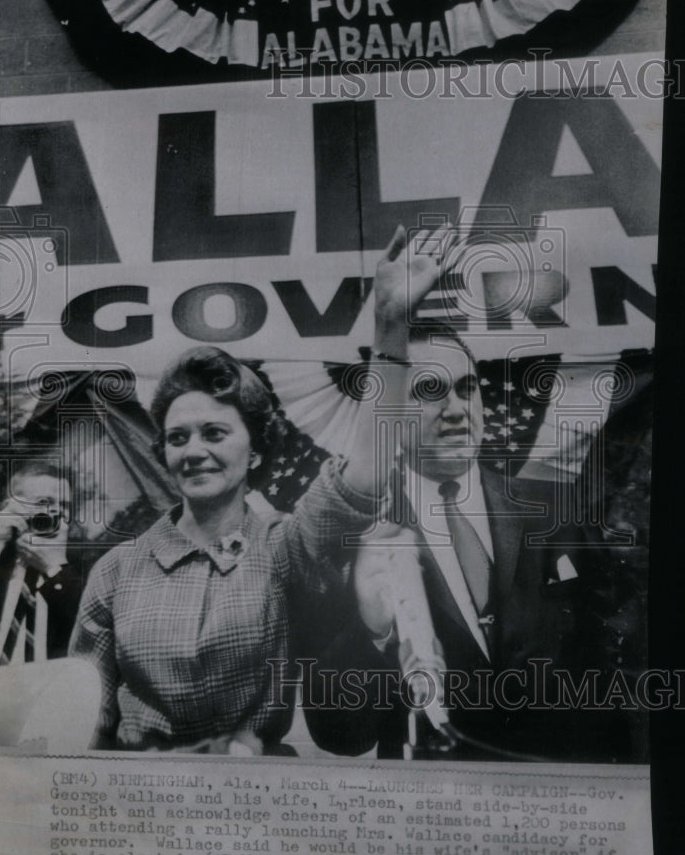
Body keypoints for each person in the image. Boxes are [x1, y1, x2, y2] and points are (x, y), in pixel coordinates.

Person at [68, 224, 448, 753]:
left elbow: (365, 472)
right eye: (177, 437)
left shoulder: (283, 547)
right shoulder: (115, 571)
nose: (193, 449)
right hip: (140, 799)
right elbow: (85, 721)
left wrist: (390, 324)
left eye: (215, 433)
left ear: (256, 451)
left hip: (255, 798)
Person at [302, 320, 642, 763]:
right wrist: (374, 630)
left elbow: (614, 675)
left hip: (562, 797)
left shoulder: (556, 511)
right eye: (429, 391)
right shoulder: (355, 536)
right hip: (440, 808)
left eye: (467, 388)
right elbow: (339, 735)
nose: (458, 409)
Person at [0, 460, 82, 661]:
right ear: (11, 506)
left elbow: (86, 626)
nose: (57, 511)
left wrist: (55, 568)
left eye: (64, 505)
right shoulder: (0, 555)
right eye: (44, 502)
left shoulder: (76, 565)